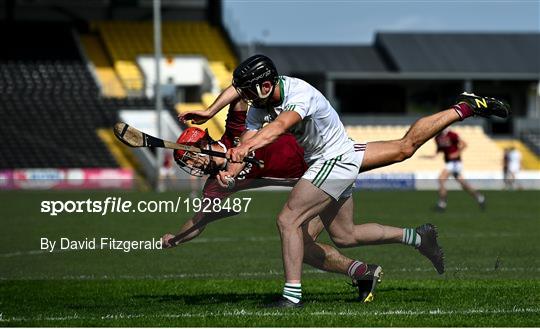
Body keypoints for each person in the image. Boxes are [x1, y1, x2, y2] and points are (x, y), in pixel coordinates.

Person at [180, 54, 510, 307]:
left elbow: (279, 127)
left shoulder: (298, 93)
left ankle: (291, 297)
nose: (247, 98)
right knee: (346, 233)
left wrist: (247, 146)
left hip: (333, 160)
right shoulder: (257, 106)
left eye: (250, 91)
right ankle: (419, 236)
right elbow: (244, 141)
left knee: (287, 220)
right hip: (336, 154)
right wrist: (228, 173)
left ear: (266, 86)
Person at [163, 100, 391, 302]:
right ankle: (406, 245)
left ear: (202, 144)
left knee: (331, 237)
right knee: (341, 236)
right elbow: (200, 220)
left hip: (327, 160)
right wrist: (177, 238)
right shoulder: (215, 184)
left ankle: (353, 275)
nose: (194, 165)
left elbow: (240, 92)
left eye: (191, 157)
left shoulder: (234, 130)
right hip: (314, 183)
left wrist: (211, 109)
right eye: (188, 162)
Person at [430, 128, 486, 211]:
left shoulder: (452, 134)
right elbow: (439, 151)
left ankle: (442, 204)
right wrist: (430, 156)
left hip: (454, 163)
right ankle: (480, 197)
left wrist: (457, 153)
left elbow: (464, 144)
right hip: (449, 163)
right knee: (464, 184)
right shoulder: (437, 138)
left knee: (441, 179)